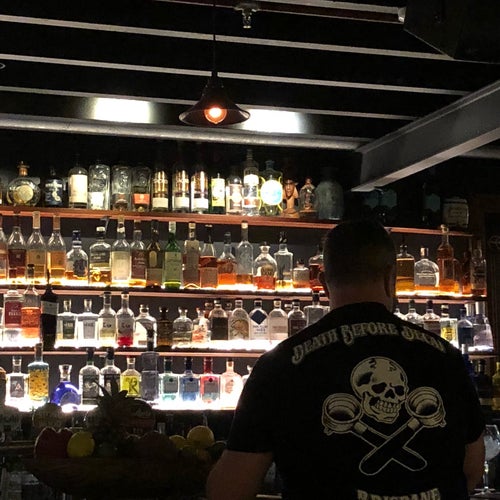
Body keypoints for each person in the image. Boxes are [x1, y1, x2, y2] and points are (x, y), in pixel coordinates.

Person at [207, 218, 485, 500]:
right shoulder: (447, 358)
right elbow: (473, 470)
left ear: (323, 283)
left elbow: (230, 491)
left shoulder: (280, 365)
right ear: (391, 277)